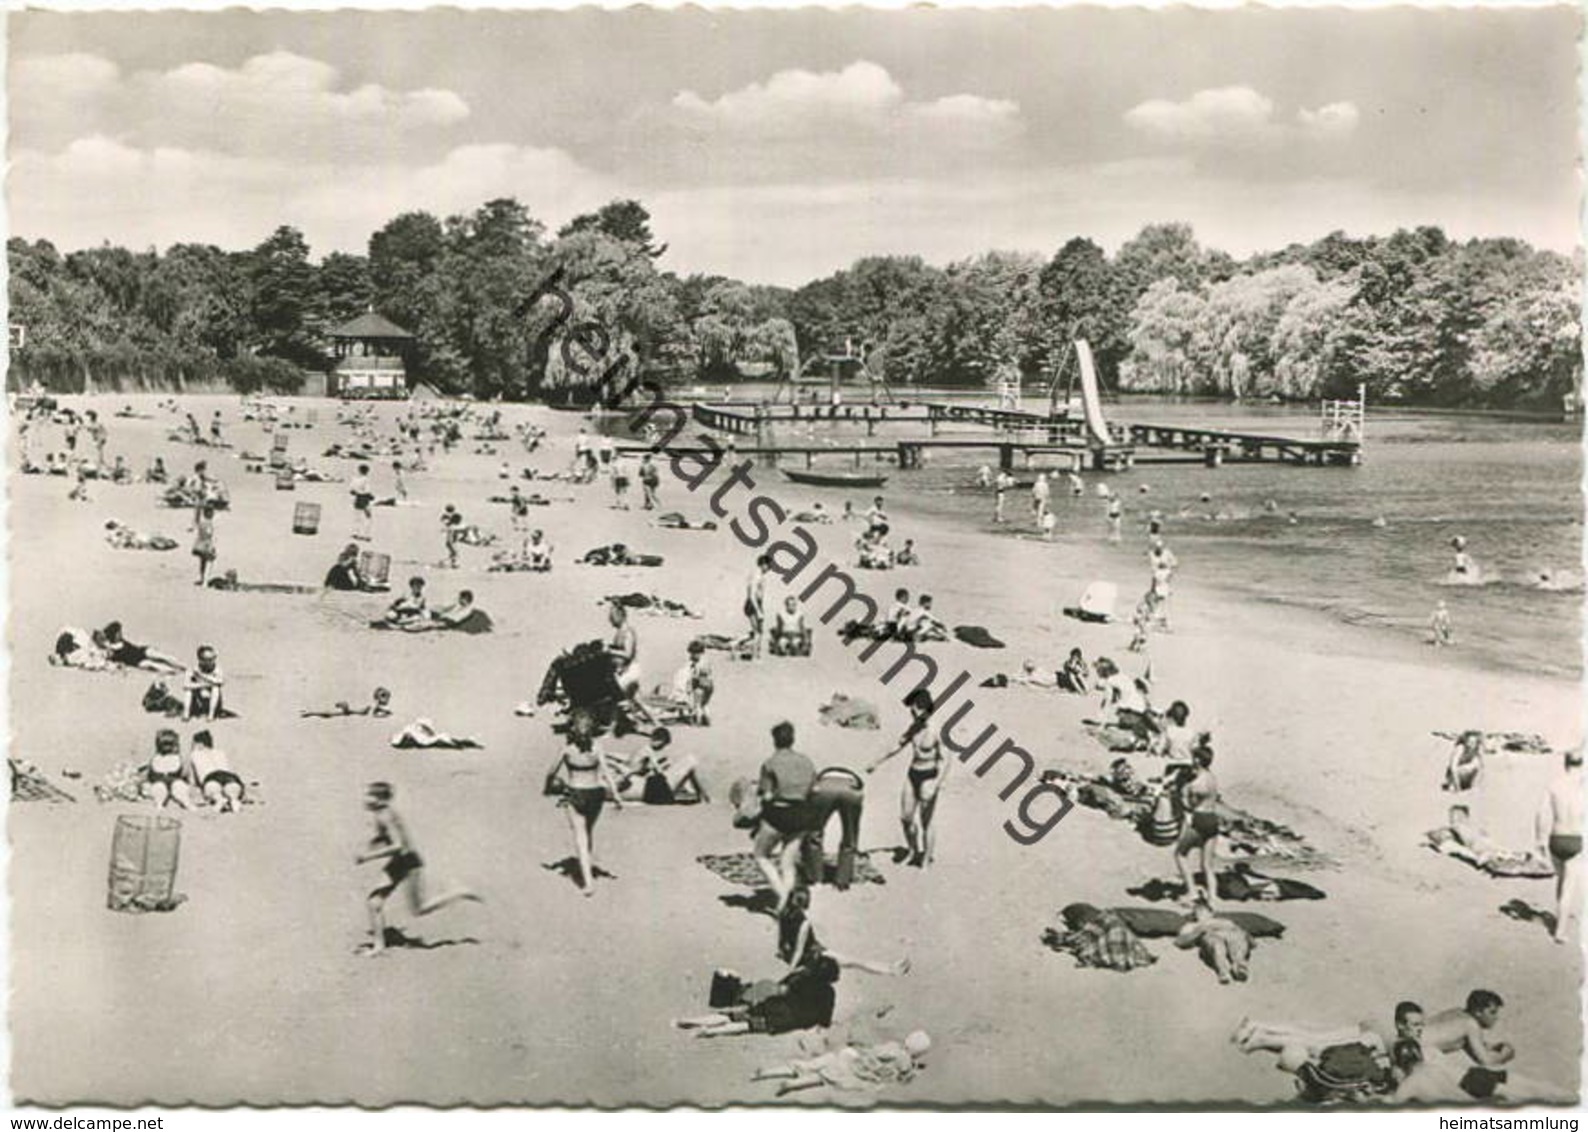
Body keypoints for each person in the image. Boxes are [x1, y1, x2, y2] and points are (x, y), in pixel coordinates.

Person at [356, 782, 483, 953]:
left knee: (419, 909)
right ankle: (379, 947)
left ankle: (458, 893)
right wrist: (373, 843)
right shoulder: (380, 813)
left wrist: (367, 856)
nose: (364, 798)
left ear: (379, 800)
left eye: (368, 795)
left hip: (409, 864)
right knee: (374, 902)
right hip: (400, 862)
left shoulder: (385, 816)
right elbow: (388, 838)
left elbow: (398, 845)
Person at [545, 710, 624, 896]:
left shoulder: (566, 750)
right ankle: (586, 868)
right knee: (587, 833)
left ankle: (588, 883)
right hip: (595, 793)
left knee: (580, 837)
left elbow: (551, 773)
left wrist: (550, 788)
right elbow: (605, 772)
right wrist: (616, 794)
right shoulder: (597, 747)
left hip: (575, 792)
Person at [867, 689, 946, 868]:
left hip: (929, 775)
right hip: (913, 774)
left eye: (915, 710)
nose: (912, 713)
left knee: (927, 821)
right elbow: (898, 744)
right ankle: (912, 850)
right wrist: (877, 761)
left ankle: (926, 859)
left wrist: (936, 783)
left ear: (924, 709)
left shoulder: (937, 730)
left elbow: (945, 759)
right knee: (906, 817)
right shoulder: (914, 727)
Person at [755, 721, 818, 911]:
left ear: (774, 740)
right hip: (801, 815)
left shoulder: (770, 763)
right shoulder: (806, 761)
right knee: (787, 863)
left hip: (778, 814)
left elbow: (766, 795)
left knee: (761, 855)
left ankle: (783, 897)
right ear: (793, 739)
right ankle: (788, 904)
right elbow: (813, 790)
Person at [1534, 748, 1583, 944]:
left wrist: (1539, 840)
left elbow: (1540, 813)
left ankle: (1558, 918)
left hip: (1556, 838)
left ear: (1565, 763)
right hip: (1576, 839)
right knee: (1569, 888)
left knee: (1561, 881)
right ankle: (1560, 932)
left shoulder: (1554, 785)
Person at [1173, 737, 1221, 905]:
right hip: (1213, 819)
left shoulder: (1196, 785)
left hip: (1200, 819)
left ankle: (1192, 892)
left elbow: (1189, 805)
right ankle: (1212, 898)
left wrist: (1183, 792)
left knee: (1180, 854)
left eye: (1194, 758)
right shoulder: (1212, 778)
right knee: (1207, 865)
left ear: (1198, 760)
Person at [613, 728, 708, 804]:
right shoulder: (646, 751)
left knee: (672, 765)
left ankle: (695, 793)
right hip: (654, 788)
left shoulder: (642, 751)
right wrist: (657, 768)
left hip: (646, 787)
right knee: (690, 760)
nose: (663, 748)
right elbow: (637, 770)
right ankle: (703, 796)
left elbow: (637, 768)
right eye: (664, 744)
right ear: (660, 740)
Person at [1174, 899, 1251, 984]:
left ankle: (1239, 966)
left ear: (1211, 913)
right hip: (1210, 936)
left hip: (1229, 934)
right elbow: (1179, 941)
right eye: (1197, 912)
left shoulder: (1224, 921)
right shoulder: (1192, 925)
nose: (1200, 914)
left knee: (1236, 938)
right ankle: (1223, 971)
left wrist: (1244, 936)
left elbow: (1241, 932)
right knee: (1216, 945)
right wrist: (1198, 932)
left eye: (1203, 911)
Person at [187, 729, 245, 813]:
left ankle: (219, 799)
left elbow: (192, 780)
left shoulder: (195, 754)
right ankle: (234, 800)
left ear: (199, 744)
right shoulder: (220, 752)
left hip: (210, 777)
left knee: (215, 792)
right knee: (232, 792)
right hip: (230, 776)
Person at [96, 621, 184, 674]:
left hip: (140, 651)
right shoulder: (111, 649)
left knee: (162, 656)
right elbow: (104, 650)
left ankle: (182, 666)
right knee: (153, 665)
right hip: (136, 662)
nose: (120, 634)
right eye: (118, 633)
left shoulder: (117, 642)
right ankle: (175, 671)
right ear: (114, 635)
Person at [144, 728, 191, 809]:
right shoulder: (155, 758)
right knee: (159, 788)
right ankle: (159, 804)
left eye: (169, 744)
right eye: (165, 744)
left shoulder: (178, 758)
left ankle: (187, 803)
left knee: (179, 787)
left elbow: (184, 773)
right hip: (159, 781)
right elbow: (149, 774)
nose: (167, 747)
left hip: (174, 780)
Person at [184, 645, 226, 721]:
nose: (211, 661)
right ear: (200, 660)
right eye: (208, 659)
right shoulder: (193, 668)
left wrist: (201, 676)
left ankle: (211, 715)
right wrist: (204, 685)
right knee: (188, 691)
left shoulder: (217, 669)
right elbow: (186, 685)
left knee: (215, 688)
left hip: (213, 700)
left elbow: (220, 681)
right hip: (197, 700)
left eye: (213, 658)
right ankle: (186, 714)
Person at [743, 554, 772, 654]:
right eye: (768, 565)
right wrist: (758, 611)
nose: (769, 568)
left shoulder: (761, 576)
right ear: (763, 564)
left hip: (757, 604)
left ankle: (755, 652)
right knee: (757, 632)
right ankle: (755, 654)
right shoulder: (756, 575)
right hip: (753, 604)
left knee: (759, 631)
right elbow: (751, 595)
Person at [191, 502, 218, 586]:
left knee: (202, 562)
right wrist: (212, 546)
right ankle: (205, 582)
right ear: (209, 513)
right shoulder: (209, 523)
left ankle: (202, 579)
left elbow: (196, 520)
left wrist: (197, 508)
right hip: (206, 545)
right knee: (209, 563)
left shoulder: (201, 522)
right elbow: (209, 535)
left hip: (198, 544)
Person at [349, 464, 374, 541]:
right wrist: (371, 496)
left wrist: (357, 492)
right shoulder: (366, 480)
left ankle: (355, 533)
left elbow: (351, 491)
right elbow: (367, 491)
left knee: (357, 517)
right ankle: (366, 535)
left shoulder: (355, 479)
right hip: (365, 499)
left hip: (357, 498)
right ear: (367, 471)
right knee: (368, 517)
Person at [440, 504, 463, 568]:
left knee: (453, 553)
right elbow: (451, 535)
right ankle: (449, 563)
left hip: (451, 542)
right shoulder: (453, 527)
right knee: (455, 553)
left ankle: (451, 563)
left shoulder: (450, 525)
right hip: (451, 542)